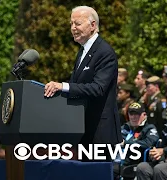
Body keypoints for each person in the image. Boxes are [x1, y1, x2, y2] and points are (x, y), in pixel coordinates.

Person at [44, 6, 122, 161]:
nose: (73, 28)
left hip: (100, 133)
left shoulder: (105, 52)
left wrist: (63, 86)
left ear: (93, 25)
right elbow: (78, 84)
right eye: (71, 24)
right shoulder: (83, 50)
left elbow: (98, 88)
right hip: (83, 129)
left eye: (77, 23)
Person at [113, 102, 159, 179]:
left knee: (110, 169)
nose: (133, 117)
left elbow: (148, 144)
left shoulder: (149, 128)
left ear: (144, 115)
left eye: (137, 114)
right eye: (131, 114)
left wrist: (126, 143)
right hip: (117, 160)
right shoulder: (124, 127)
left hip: (135, 162)